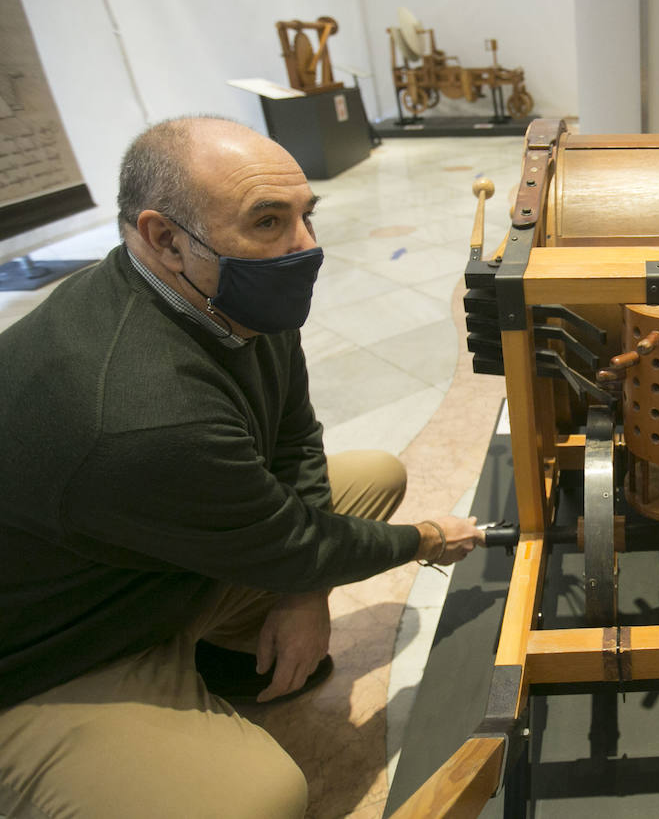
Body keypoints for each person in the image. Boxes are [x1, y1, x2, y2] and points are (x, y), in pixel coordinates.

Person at [0, 116, 483, 818]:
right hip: (52, 650)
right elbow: (299, 542)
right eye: (267, 222)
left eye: (304, 216)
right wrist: (431, 540)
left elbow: (295, 440)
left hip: (144, 566)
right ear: (164, 237)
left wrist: (302, 591)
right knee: (262, 797)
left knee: (372, 474)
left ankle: (207, 650)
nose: (304, 248)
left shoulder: (222, 297)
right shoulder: (142, 412)